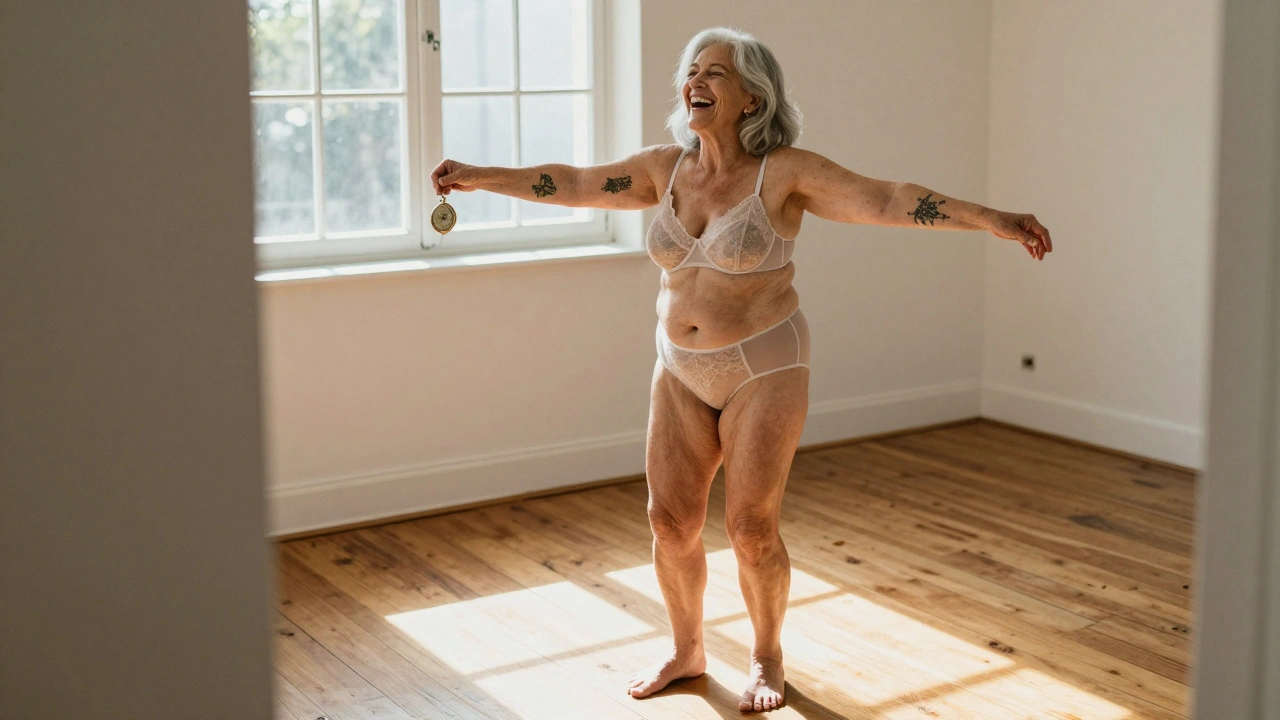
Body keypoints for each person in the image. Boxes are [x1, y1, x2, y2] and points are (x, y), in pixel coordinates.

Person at [431, 25, 1051, 714]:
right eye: (692, 70)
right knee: (669, 523)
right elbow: (575, 183)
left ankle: (766, 656)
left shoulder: (783, 172)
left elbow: (886, 199)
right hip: (679, 368)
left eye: (716, 72)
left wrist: (991, 218)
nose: (695, 81)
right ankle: (686, 648)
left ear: (752, 97)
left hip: (765, 365)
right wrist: (481, 177)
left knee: (752, 530)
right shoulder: (664, 169)